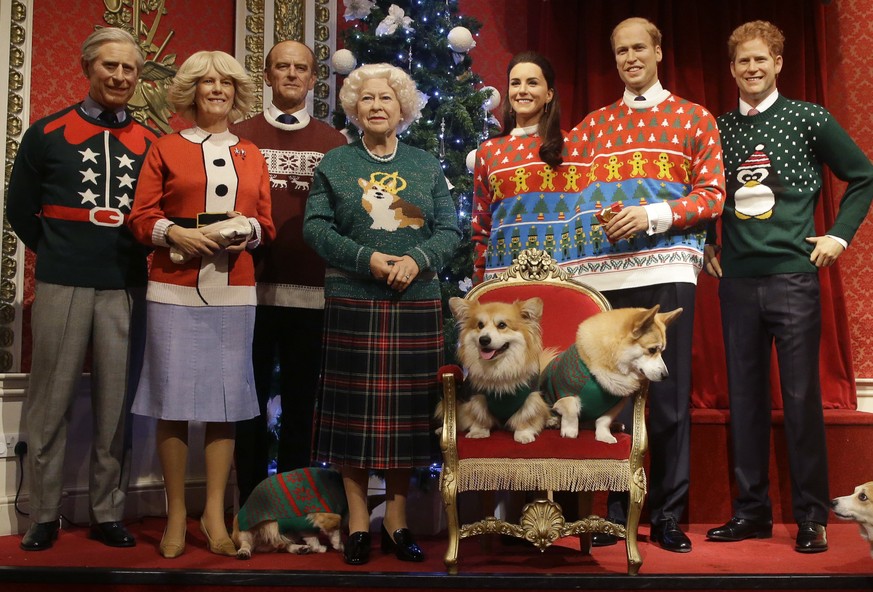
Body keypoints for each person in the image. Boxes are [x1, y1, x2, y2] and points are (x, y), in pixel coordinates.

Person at [703, 20, 873, 554]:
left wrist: (839, 237)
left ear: (778, 62)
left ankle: (812, 516)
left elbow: (863, 176)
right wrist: (710, 241)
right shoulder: (720, 128)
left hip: (794, 279)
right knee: (746, 401)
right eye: (742, 62)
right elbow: (707, 189)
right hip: (738, 283)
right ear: (731, 69)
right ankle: (750, 512)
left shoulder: (808, 118)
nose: (752, 69)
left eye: (761, 60)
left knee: (801, 401)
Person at [570, 17, 725, 553]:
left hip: (667, 272)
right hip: (606, 276)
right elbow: (573, 195)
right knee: (608, 396)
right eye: (620, 51)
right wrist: (604, 217)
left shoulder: (694, 117)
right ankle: (616, 509)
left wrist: (651, 215)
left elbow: (711, 195)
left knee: (669, 398)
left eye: (639, 48)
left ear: (658, 51)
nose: (630, 58)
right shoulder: (591, 126)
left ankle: (666, 513)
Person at [303, 63, 461, 565]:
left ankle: (395, 520)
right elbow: (316, 229)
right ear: (354, 106)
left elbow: (450, 230)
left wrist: (416, 259)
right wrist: (367, 259)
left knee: (407, 422)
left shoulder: (425, 164)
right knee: (353, 421)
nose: (376, 106)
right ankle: (355, 521)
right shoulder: (335, 163)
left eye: (386, 99)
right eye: (367, 98)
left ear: (402, 108)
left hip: (414, 305)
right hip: (354, 300)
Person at [7, 27, 157, 552]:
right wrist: (57, 251)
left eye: (129, 69)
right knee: (50, 401)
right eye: (109, 67)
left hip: (125, 287)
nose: (119, 76)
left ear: (138, 77)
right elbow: (19, 209)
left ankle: (107, 510)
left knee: (116, 402)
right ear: (87, 69)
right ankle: (44, 514)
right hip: (62, 282)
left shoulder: (151, 144)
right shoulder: (46, 133)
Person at [127, 50, 275, 558]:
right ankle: (174, 513)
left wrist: (245, 232)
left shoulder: (252, 153)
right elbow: (142, 217)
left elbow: (266, 224)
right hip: (172, 287)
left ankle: (215, 512)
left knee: (225, 404)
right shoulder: (165, 147)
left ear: (237, 94)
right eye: (207, 82)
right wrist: (177, 236)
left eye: (226, 84)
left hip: (235, 292)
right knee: (171, 401)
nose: (217, 90)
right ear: (191, 90)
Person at [229, 40, 346, 505]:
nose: (292, 75)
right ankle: (250, 503)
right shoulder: (240, 135)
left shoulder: (333, 142)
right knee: (247, 403)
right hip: (247, 290)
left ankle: (294, 503)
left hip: (313, 293)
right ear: (267, 75)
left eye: (301, 68)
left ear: (314, 79)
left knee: (303, 405)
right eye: (282, 67)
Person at [471, 51, 568, 284]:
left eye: (532, 83)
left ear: (549, 94)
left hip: (559, 275)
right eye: (515, 83)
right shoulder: (488, 151)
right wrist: (479, 283)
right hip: (502, 275)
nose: (522, 90)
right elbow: (481, 226)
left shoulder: (570, 145)